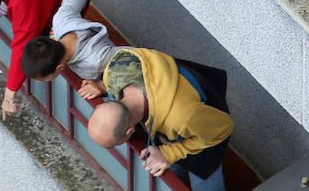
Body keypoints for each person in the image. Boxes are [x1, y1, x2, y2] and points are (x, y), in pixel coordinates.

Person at [87, 47, 233, 191]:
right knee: (170, 167)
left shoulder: (182, 118)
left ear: (129, 131)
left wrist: (169, 153)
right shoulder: (115, 72)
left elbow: (224, 128)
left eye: (116, 144)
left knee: (205, 180)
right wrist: (101, 86)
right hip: (176, 84)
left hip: (205, 123)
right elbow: (108, 80)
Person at [19, 0, 116, 99]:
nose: (42, 82)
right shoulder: (61, 21)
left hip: (110, 73)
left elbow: (135, 55)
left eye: (44, 79)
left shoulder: (96, 60)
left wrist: (102, 86)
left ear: (60, 68)